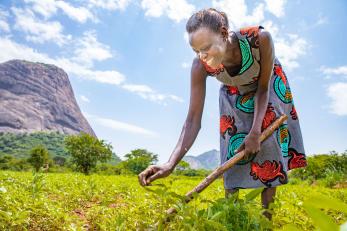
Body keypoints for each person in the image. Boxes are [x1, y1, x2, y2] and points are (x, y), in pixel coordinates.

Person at [138, 8, 307, 220]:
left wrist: (255, 131)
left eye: (206, 48)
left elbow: (263, 90)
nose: (202, 56)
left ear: (224, 33)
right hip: (234, 91)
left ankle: (266, 219)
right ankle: (231, 216)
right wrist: (170, 163)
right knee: (232, 144)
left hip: (266, 87)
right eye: (196, 51)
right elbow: (192, 120)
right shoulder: (200, 66)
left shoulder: (259, 39)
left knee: (268, 144)